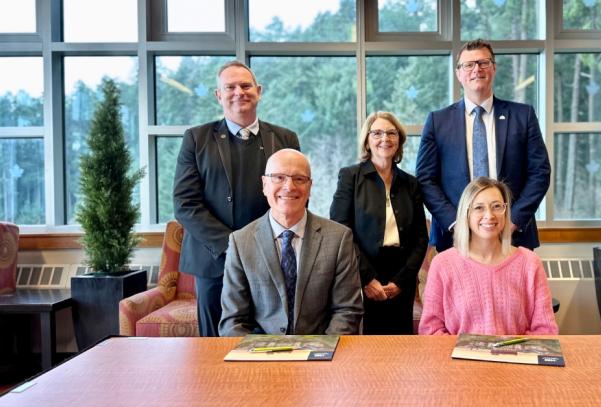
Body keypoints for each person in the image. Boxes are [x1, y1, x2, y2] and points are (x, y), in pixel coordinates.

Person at [173, 61, 300, 337]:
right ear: (219, 95)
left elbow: (294, 197)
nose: (238, 92)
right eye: (230, 87)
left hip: (270, 258)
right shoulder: (196, 139)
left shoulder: (285, 137)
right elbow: (185, 204)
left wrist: (264, 247)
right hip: (213, 260)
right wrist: (232, 246)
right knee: (213, 347)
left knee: (270, 343)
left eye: (245, 85)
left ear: (259, 91)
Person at [416, 39, 550, 253]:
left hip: (512, 235)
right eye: (468, 65)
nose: (476, 69)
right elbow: (425, 179)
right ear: (459, 74)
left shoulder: (523, 116)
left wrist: (513, 220)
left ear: (494, 68)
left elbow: (540, 173)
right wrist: (455, 222)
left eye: (483, 63)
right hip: (455, 238)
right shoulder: (437, 121)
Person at [219, 149, 364, 336]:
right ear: (264, 184)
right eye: (279, 177)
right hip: (260, 355)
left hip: (322, 353)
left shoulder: (339, 238)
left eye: (299, 179)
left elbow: (347, 311)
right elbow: (233, 320)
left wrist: (320, 353)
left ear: (310, 187)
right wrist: (261, 359)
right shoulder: (240, 242)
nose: (289, 186)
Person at [418, 178, 558, 335]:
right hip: (458, 358)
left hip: (515, 357)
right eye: (479, 208)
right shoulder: (442, 264)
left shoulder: (530, 263)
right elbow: (430, 330)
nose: (489, 215)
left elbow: (546, 330)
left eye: (497, 206)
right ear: (466, 214)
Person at [330, 112, 428, 334]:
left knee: (400, 347)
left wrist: (402, 281)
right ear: (367, 140)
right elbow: (341, 231)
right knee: (364, 348)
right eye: (377, 133)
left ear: (400, 140)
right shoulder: (350, 177)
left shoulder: (411, 184)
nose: (385, 138)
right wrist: (367, 279)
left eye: (392, 133)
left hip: (401, 277)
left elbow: (420, 238)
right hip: (361, 272)